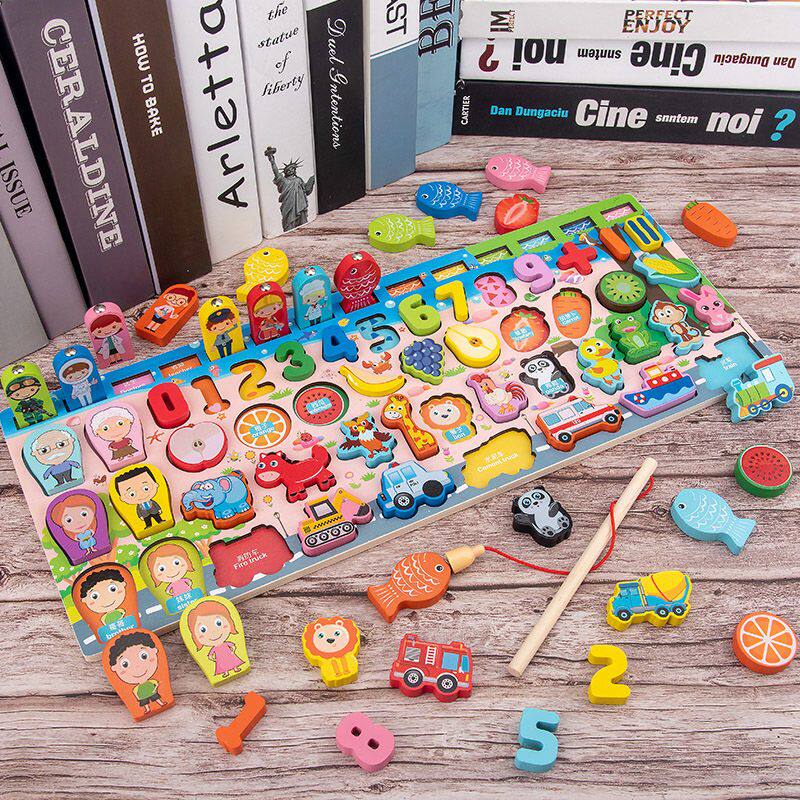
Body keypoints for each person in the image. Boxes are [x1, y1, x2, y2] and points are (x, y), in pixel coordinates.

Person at [106, 631, 166, 715]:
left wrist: (155, 688)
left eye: (144, 656)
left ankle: (161, 704)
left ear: (154, 651)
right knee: (145, 702)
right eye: (125, 664)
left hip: (152, 692)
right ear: (114, 668)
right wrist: (138, 698)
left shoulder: (151, 682)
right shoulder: (137, 688)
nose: (137, 666)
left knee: (155, 698)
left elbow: (156, 683)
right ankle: (147, 709)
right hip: (142, 696)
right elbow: (135, 692)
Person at [186, 600, 245, 679]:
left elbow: (233, 646)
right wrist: (213, 659)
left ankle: (235, 668)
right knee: (222, 664)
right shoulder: (214, 648)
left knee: (232, 661)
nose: (213, 632)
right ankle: (226, 672)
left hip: (228, 655)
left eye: (218, 623)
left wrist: (233, 650)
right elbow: (210, 655)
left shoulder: (226, 644)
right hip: (220, 658)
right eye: (203, 630)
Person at [264, 146, 315, 231]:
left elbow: (306, 190)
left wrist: (312, 180)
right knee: (289, 225)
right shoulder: (283, 181)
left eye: (292, 169)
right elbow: (276, 172)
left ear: (295, 170)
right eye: (288, 169)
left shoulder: (299, 180)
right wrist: (272, 161)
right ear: (285, 172)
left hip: (300, 205)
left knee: (303, 225)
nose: (290, 170)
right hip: (288, 206)